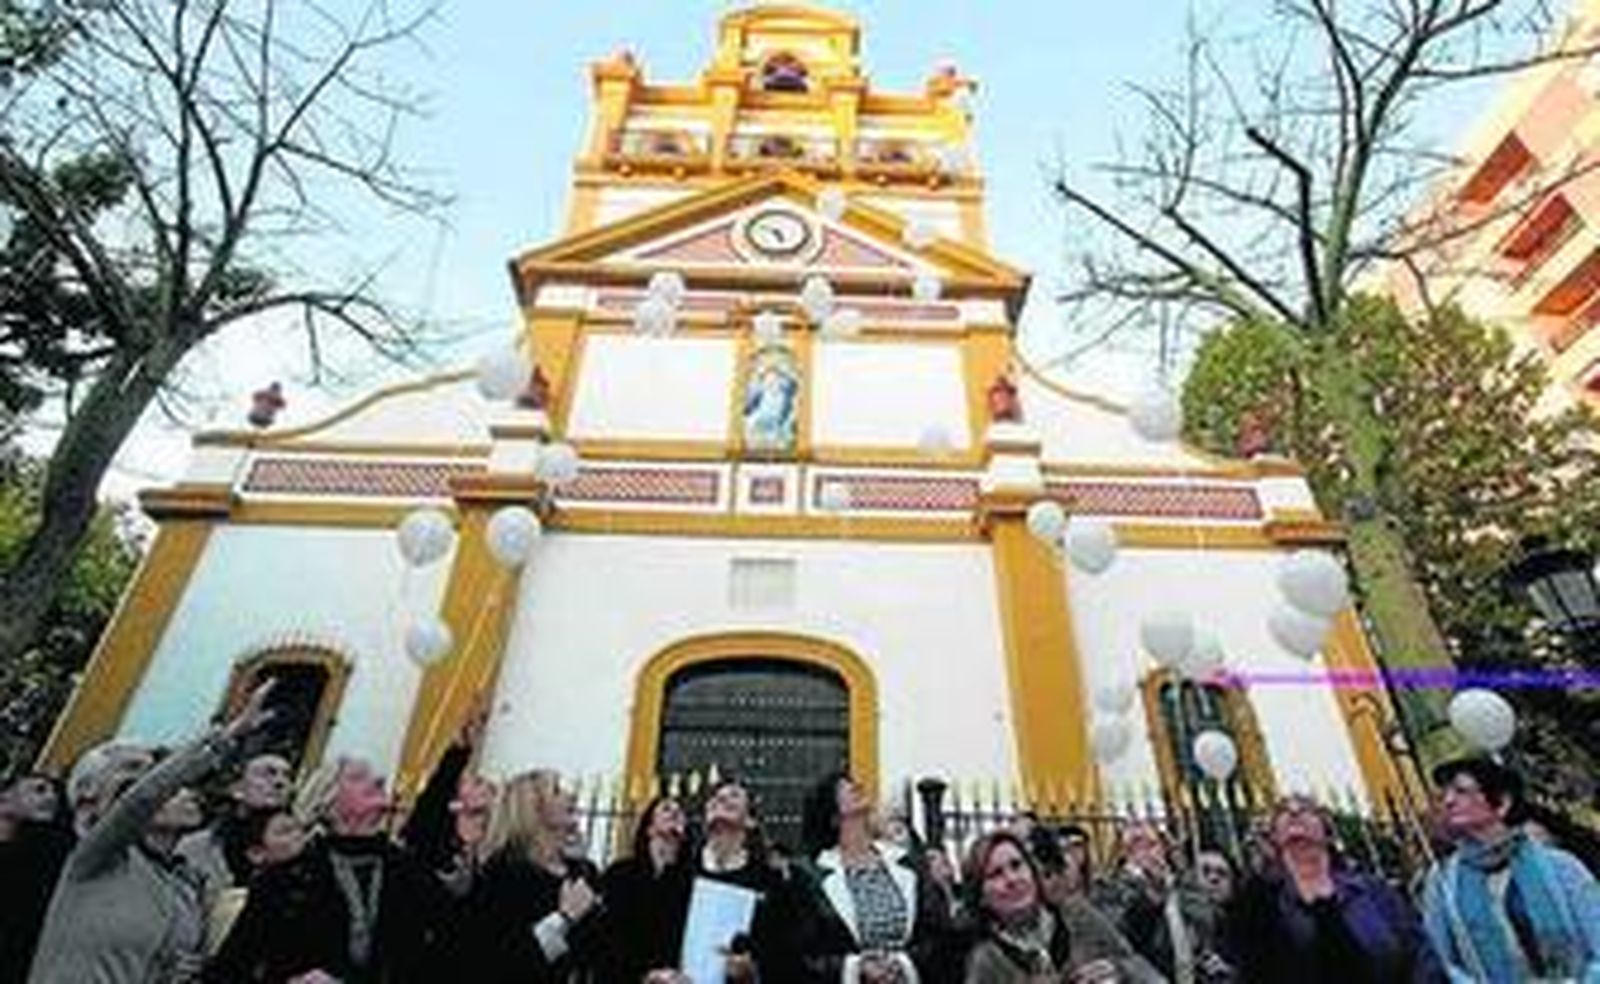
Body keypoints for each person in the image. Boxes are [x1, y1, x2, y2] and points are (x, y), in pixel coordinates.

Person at [27, 683, 274, 984]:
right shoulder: (99, 857)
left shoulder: (187, 884)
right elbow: (144, 797)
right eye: (134, 775)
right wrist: (228, 735)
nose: (186, 793)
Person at [205, 755, 449, 983]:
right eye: (357, 777)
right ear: (328, 799)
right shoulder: (288, 878)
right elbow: (228, 970)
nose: (379, 780)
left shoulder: (407, 869)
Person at [1420, 756, 1600, 982]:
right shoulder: (1443, 881)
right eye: (1444, 793)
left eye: (1461, 791)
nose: (1448, 801)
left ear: (1502, 802)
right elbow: (1438, 959)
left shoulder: (1561, 867)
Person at [1228, 795, 1437, 984]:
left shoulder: (1372, 890)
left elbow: (1419, 950)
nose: (1294, 812)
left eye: (1306, 808)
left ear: (1327, 831)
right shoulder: (1266, 904)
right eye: (1283, 811)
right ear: (1273, 835)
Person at [794, 771, 950, 982]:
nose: (855, 785)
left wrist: (902, 964)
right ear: (832, 814)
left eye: (852, 782)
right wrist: (857, 968)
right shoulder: (811, 875)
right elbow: (806, 952)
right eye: (842, 786)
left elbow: (936, 933)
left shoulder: (907, 862)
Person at [963, 829, 1166, 983]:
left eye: (1017, 865)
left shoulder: (1077, 915)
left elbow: (1142, 969)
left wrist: (1120, 970)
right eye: (995, 874)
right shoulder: (986, 962)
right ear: (981, 896)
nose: (1012, 879)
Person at [464, 770, 604, 982]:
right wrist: (563, 919)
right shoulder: (504, 873)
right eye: (556, 791)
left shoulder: (583, 870)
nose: (571, 796)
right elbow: (499, 962)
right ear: (534, 809)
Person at [1093, 821, 1232, 983]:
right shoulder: (1110, 890)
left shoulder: (1182, 885)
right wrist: (1148, 898)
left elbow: (1207, 921)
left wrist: (1182, 875)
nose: (1145, 853)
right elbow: (1118, 935)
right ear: (1124, 854)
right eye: (1136, 845)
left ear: (1164, 849)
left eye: (1151, 844)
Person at [176, 752, 293, 914]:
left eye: (287, 776)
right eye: (267, 773)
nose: (280, 782)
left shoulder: (296, 852)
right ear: (237, 788)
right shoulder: (198, 848)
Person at [599, 795, 693, 981]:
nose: (675, 813)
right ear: (649, 828)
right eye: (666, 809)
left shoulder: (689, 882)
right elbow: (607, 937)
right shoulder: (619, 874)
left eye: (680, 812)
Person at [202, 807, 308, 957]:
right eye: (285, 832)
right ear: (256, 853)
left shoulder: (303, 890)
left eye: (301, 829)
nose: (299, 836)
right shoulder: (235, 904)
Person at [0, 773, 73, 984]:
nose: (51, 798)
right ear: (5, 799)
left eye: (53, 792)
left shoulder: (40, 857)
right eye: (39, 790)